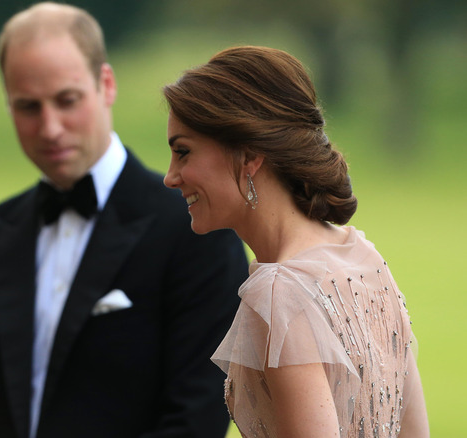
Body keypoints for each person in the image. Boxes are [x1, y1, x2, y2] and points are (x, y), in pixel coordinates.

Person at [0, 3, 248, 438]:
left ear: (106, 84)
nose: (50, 127)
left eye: (66, 100)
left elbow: (196, 417)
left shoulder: (196, 230)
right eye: (28, 107)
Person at [162, 45, 429, 437]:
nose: (171, 176)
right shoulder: (361, 255)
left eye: (183, 152)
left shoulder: (279, 292)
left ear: (248, 155)